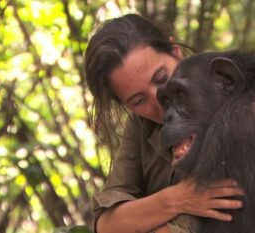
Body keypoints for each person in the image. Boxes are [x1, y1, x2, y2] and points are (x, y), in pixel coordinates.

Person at [84, 14, 244, 233]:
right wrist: (178, 198)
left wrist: (145, 214)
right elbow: (107, 225)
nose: (160, 102)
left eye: (161, 79)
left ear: (176, 52)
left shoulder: (229, 102)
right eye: (139, 100)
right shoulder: (141, 124)